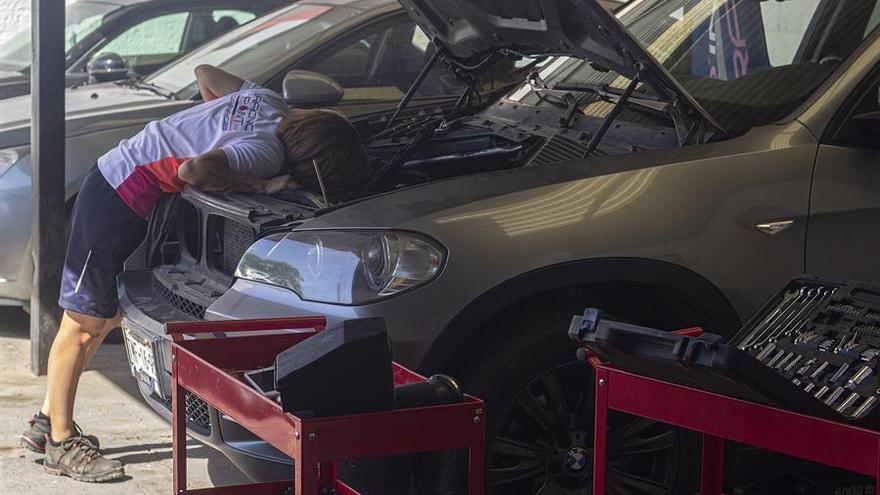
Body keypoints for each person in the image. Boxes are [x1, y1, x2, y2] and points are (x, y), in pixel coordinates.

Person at [19, 64, 369, 482]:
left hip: (118, 184)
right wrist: (262, 185)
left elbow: (206, 74)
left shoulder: (266, 101)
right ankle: (60, 443)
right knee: (82, 323)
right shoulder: (264, 151)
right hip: (115, 196)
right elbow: (193, 172)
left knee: (102, 317)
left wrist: (214, 127)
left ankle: (45, 421)